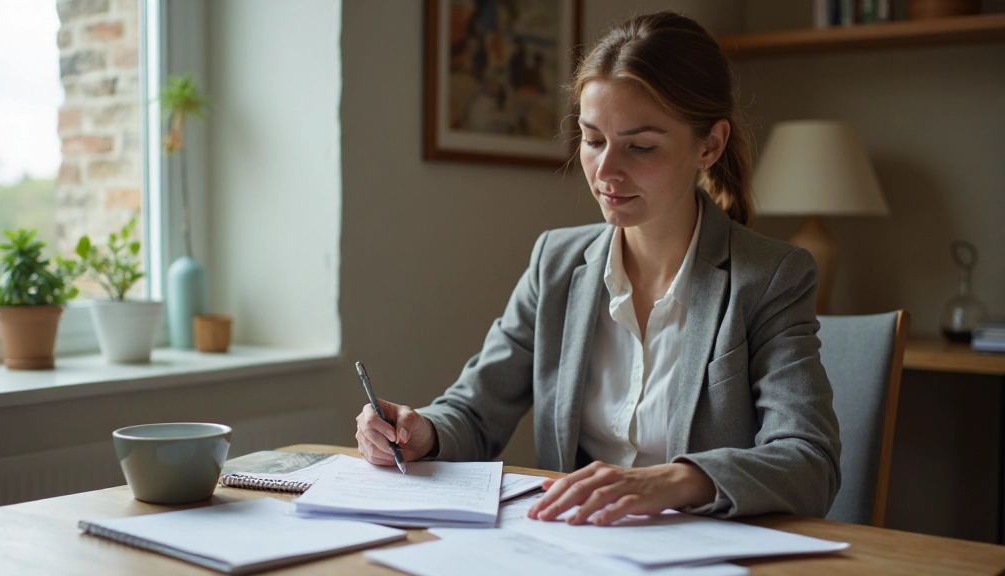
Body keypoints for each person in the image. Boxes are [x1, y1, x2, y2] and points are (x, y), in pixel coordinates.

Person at [355, 11, 841, 526]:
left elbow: (810, 462)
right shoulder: (556, 263)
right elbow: (475, 412)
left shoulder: (771, 276)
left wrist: (675, 479)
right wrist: (418, 432)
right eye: (592, 140)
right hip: (575, 548)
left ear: (710, 145)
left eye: (640, 146)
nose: (606, 171)